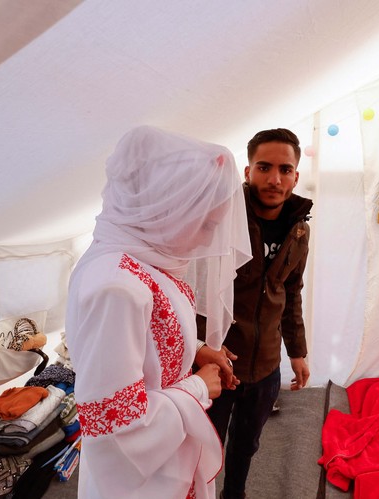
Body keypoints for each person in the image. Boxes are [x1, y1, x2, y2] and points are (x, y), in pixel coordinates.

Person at [65, 126, 251, 499]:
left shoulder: (140, 260)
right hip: (140, 481)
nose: (205, 240)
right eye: (206, 225)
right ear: (166, 208)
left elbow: (146, 332)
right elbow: (115, 427)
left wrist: (193, 349)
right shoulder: (115, 285)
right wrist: (199, 386)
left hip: (167, 461)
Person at [197, 128, 313, 499]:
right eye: (264, 167)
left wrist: (297, 351)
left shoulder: (299, 230)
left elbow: (291, 292)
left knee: (246, 445)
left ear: (296, 175)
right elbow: (191, 288)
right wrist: (196, 348)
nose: (274, 179)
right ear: (247, 172)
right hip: (218, 360)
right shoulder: (219, 219)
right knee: (201, 446)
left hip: (264, 365)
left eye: (285, 169)